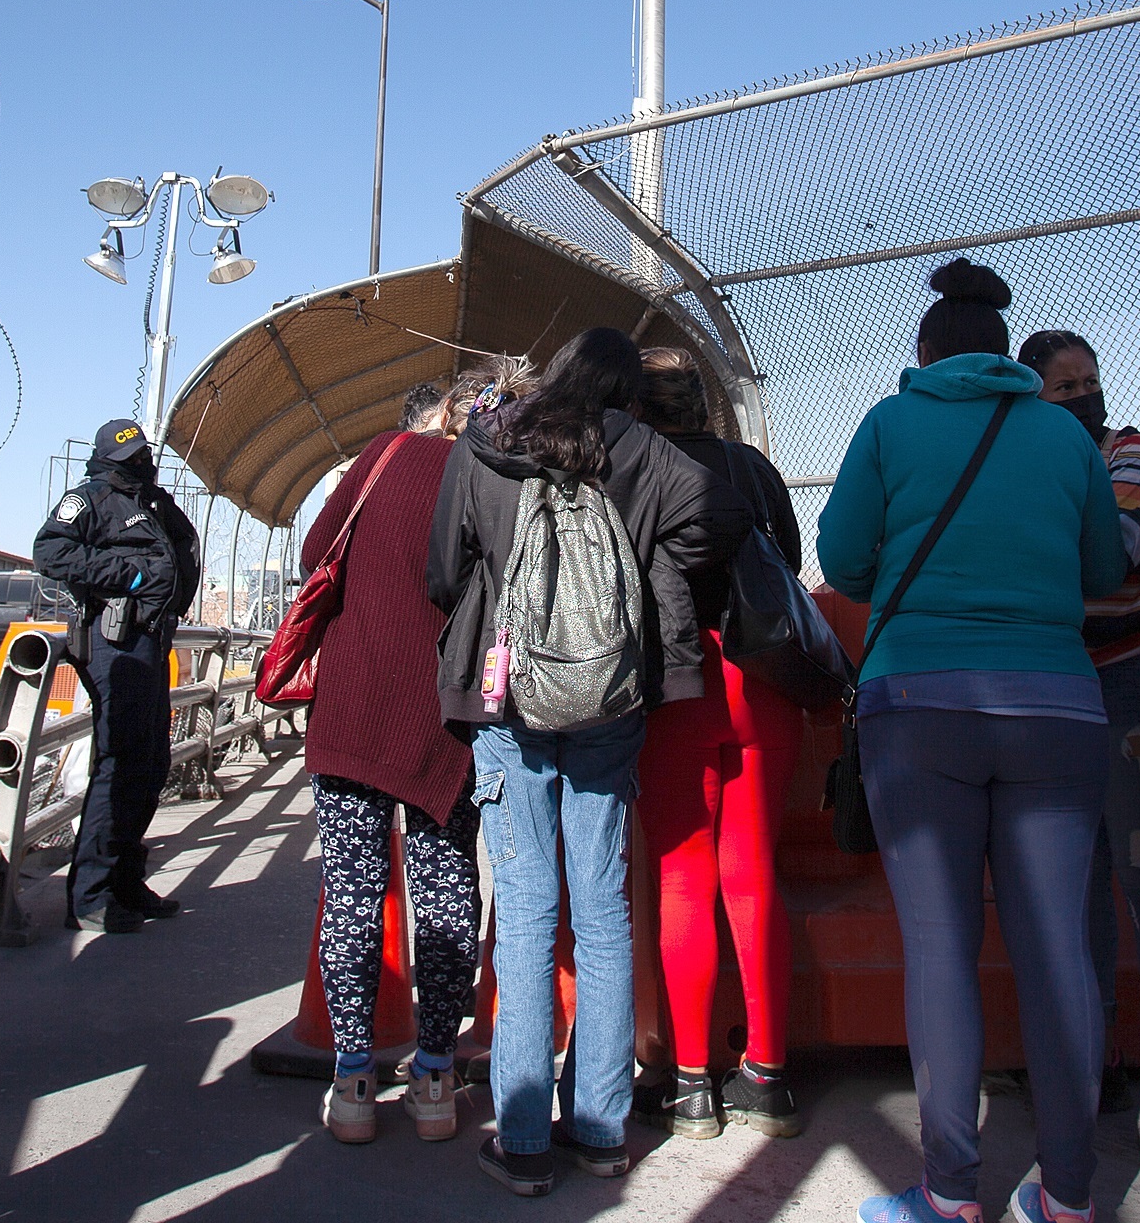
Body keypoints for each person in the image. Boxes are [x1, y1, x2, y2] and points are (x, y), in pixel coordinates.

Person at [818, 261, 1126, 1223]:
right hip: (1060, 707)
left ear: (924, 355)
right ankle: (1068, 1197)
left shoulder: (886, 423)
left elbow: (840, 560)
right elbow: (1104, 563)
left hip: (918, 708)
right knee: (1059, 954)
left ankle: (950, 1194)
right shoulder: (1063, 435)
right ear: (1005, 351)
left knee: (942, 952)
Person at [427, 327, 748, 1198]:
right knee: (603, 910)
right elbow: (721, 516)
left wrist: (501, 605)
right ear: (626, 390)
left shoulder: (487, 444)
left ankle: (523, 1141)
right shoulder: (645, 450)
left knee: (528, 915)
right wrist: (645, 582)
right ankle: (602, 1131)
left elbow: (442, 572)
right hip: (611, 700)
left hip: (506, 699)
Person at [1017, 328, 1140, 1157]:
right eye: (1065, 388)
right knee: (1082, 881)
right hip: (1065, 686)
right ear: (1034, 397)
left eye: (1089, 381)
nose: (1085, 395)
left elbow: (1119, 555)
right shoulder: (1033, 461)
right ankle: (1094, 1052)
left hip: (1132, 682)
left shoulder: (1124, 453)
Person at [628, 346, 807, 1142]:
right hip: (761, 685)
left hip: (675, 690)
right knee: (752, 873)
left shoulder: (629, 471)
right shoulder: (752, 468)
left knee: (681, 879)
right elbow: (792, 567)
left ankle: (692, 1083)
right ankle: (767, 1075)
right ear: (703, 402)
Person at [303, 370, 481, 1146]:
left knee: (352, 891)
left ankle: (351, 1083)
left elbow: (317, 552)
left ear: (436, 413)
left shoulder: (382, 456)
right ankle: (436, 1078)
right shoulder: (492, 477)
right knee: (447, 888)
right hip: (448, 718)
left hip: (354, 705)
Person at [35, 417, 203, 932]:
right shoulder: (92, 498)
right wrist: (128, 575)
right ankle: (90, 895)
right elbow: (50, 551)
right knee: (120, 761)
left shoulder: (150, 500)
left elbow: (181, 550)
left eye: (144, 457)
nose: (144, 465)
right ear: (114, 460)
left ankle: (126, 881)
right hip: (115, 643)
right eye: (134, 459)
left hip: (150, 641)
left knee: (150, 761)